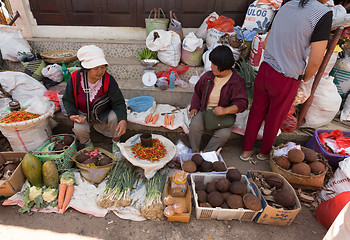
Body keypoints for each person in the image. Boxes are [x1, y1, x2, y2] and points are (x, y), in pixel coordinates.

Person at [240, 0, 332, 161]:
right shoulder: (323, 13)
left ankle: (246, 151)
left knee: (256, 111)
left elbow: (267, 41)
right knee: (275, 117)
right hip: (286, 77)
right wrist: (305, 79)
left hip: (265, 69)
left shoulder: (288, 4)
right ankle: (263, 153)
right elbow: (316, 60)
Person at [62, 45, 127, 153]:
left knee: (115, 117)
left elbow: (119, 102)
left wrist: (123, 119)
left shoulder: (108, 80)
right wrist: (72, 114)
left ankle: (116, 143)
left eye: (103, 67)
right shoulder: (75, 78)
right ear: (86, 69)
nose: (100, 71)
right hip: (83, 114)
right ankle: (88, 144)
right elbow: (68, 99)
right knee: (79, 128)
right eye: (96, 68)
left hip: (103, 113)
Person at [189, 45, 248, 152]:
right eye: (211, 63)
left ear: (223, 66)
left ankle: (207, 151)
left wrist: (225, 110)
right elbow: (197, 92)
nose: (211, 67)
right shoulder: (207, 77)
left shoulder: (237, 81)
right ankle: (195, 152)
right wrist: (194, 107)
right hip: (205, 112)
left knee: (224, 134)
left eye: (214, 64)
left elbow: (242, 103)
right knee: (194, 125)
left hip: (224, 117)